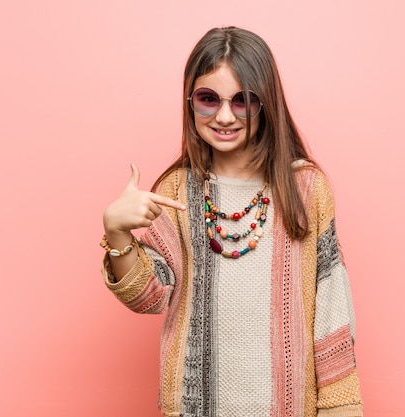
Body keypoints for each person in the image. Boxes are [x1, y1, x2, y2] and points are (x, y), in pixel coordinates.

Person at [100, 26, 363, 417]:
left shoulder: (304, 187)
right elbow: (151, 298)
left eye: (243, 101)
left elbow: (332, 306)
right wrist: (116, 230)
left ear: (267, 104)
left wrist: (341, 407)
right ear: (190, 102)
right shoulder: (178, 189)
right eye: (209, 99)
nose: (224, 116)